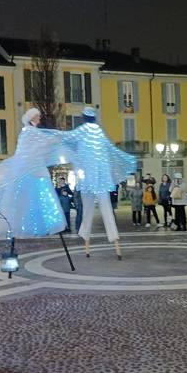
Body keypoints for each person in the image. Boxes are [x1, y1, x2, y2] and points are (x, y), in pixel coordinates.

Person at [0, 108, 68, 238]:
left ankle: (36, 226)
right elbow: (45, 142)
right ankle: (42, 225)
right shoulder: (30, 132)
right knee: (39, 198)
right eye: (37, 116)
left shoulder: (27, 132)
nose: (39, 119)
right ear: (32, 118)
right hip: (34, 170)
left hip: (34, 169)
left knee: (31, 199)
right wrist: (58, 138)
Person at [62, 107, 136, 259]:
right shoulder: (100, 132)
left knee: (87, 210)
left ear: (83, 118)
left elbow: (66, 138)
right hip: (101, 180)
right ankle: (115, 243)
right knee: (107, 210)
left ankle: (86, 241)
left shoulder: (81, 131)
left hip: (87, 179)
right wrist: (127, 160)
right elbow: (111, 150)